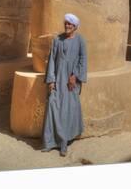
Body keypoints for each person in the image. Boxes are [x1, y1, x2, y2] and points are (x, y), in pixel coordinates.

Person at [41, 13, 87, 157]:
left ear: (75, 27)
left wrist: (75, 76)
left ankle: (63, 144)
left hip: (71, 83)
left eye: (70, 24)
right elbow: (52, 60)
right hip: (57, 80)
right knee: (53, 108)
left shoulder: (80, 40)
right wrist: (51, 80)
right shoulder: (57, 40)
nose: (67, 26)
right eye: (66, 23)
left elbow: (83, 60)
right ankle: (49, 142)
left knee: (67, 111)